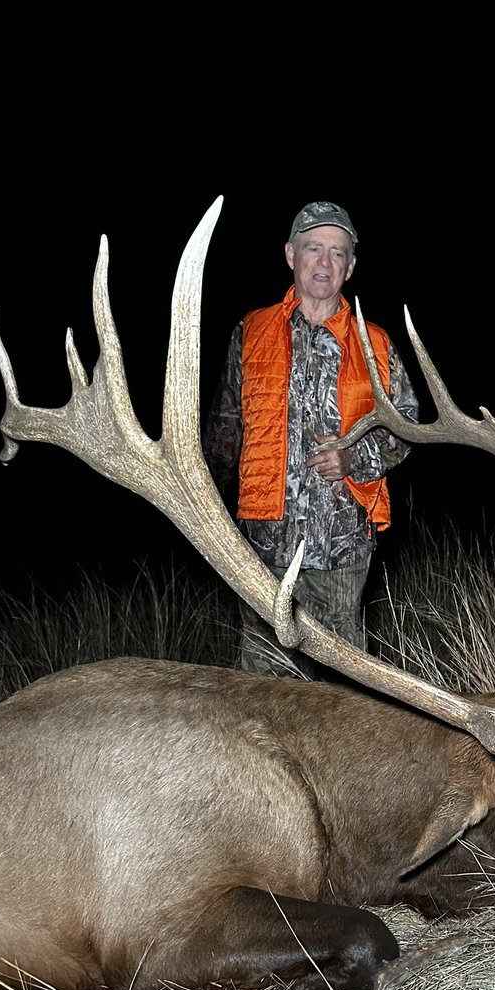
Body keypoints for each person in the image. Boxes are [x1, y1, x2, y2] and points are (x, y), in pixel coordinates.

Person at [202, 200, 420, 677]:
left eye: (337, 253)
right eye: (313, 249)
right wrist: (211, 524)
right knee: (263, 689)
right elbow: (222, 436)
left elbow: (406, 428)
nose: (324, 262)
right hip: (263, 550)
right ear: (290, 255)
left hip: (343, 551)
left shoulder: (377, 344)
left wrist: (355, 459)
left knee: (344, 693)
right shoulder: (251, 331)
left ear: (351, 266)